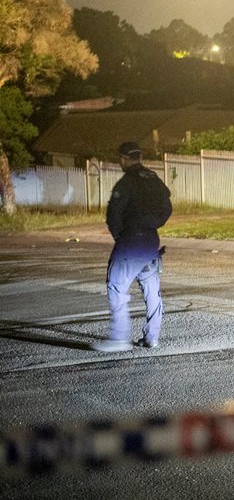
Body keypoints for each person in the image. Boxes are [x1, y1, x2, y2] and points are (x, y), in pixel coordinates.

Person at [92, 141, 173, 352]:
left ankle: (119, 338)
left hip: (131, 240)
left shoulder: (126, 182)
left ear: (123, 158)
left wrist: (122, 236)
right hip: (151, 240)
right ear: (140, 156)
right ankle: (152, 337)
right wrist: (152, 224)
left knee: (116, 286)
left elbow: (113, 216)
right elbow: (167, 207)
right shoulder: (153, 178)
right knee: (151, 288)